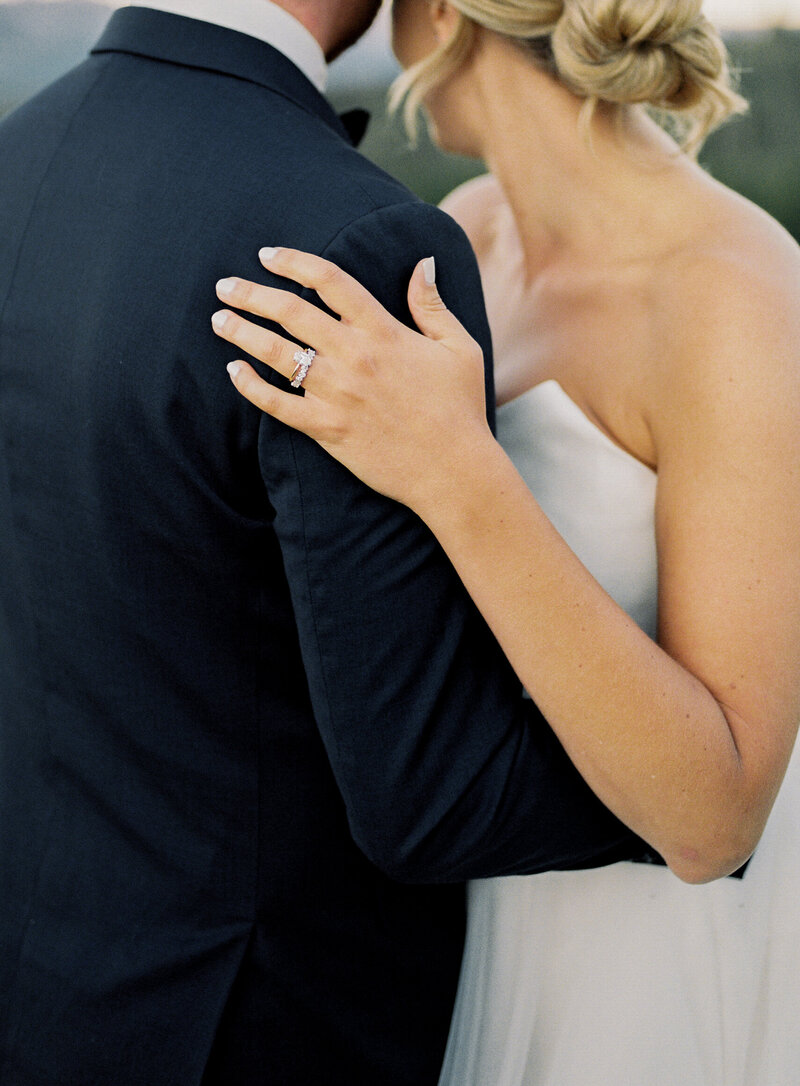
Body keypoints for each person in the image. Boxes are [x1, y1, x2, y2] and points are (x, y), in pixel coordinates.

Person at [0, 1, 656, 1083]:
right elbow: (431, 801)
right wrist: (699, 788)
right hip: (255, 1029)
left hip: (44, 1000)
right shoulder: (350, 243)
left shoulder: (19, 155)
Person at [213, 0, 800, 1082]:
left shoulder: (733, 295)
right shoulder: (468, 232)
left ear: (440, 13)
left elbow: (716, 820)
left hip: (648, 963)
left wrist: (456, 473)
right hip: (475, 908)